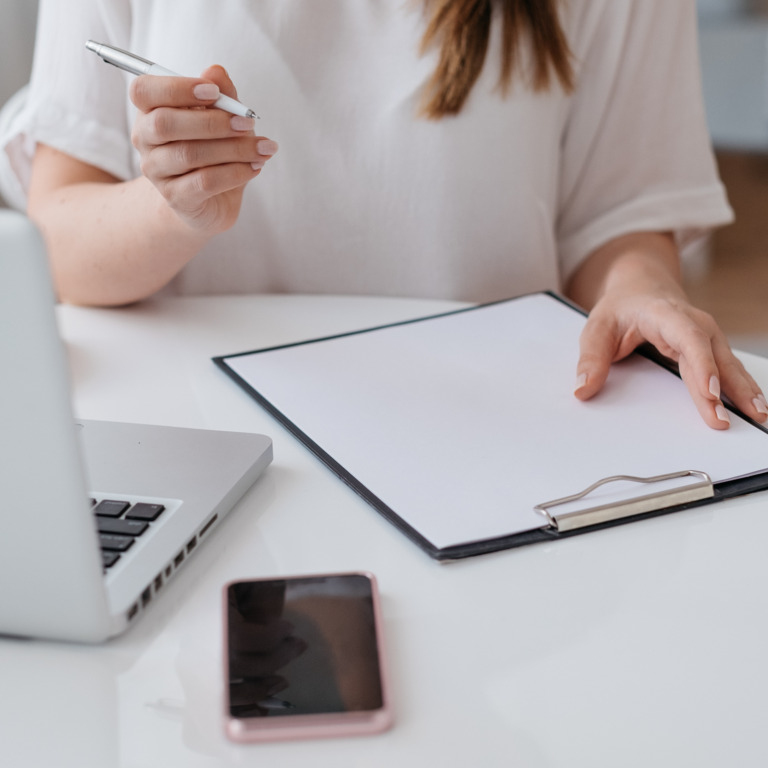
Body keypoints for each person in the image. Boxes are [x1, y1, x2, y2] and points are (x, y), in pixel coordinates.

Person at [3, 0, 767, 431]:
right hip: (194, 431)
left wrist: (643, 288)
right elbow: (60, 243)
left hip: (487, 435)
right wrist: (172, 208)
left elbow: (617, 216)